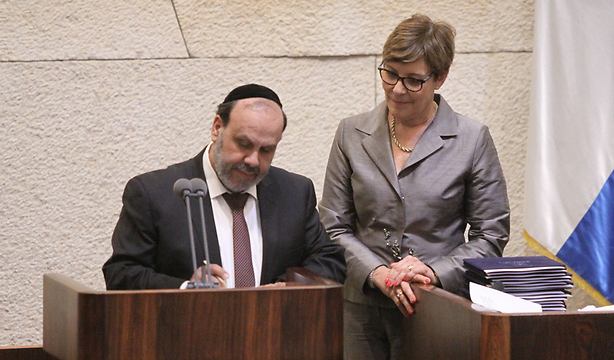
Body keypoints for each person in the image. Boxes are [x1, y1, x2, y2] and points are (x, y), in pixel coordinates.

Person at [318, 14, 510, 359]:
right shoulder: (351, 132)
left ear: (441, 78)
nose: (397, 89)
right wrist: (375, 272)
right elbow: (333, 225)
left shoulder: (471, 139)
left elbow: (491, 234)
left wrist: (435, 272)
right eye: (389, 73)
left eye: (413, 81)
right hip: (361, 309)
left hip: (437, 308)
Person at [103, 83, 346, 290]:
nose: (252, 160)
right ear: (217, 128)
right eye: (243, 144)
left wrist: (286, 288)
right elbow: (122, 274)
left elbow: (329, 261)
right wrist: (186, 289)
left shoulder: (294, 192)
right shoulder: (154, 192)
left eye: (266, 150)